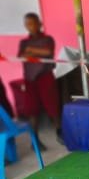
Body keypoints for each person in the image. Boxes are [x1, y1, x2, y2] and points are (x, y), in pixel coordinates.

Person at [17, 12, 62, 145]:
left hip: (45, 77)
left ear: (39, 23)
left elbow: (48, 52)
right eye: (27, 24)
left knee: (53, 107)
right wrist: (34, 51)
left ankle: (61, 134)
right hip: (30, 79)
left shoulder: (47, 39)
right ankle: (35, 140)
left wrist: (31, 50)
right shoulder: (24, 42)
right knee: (32, 110)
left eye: (32, 23)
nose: (30, 26)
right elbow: (21, 55)